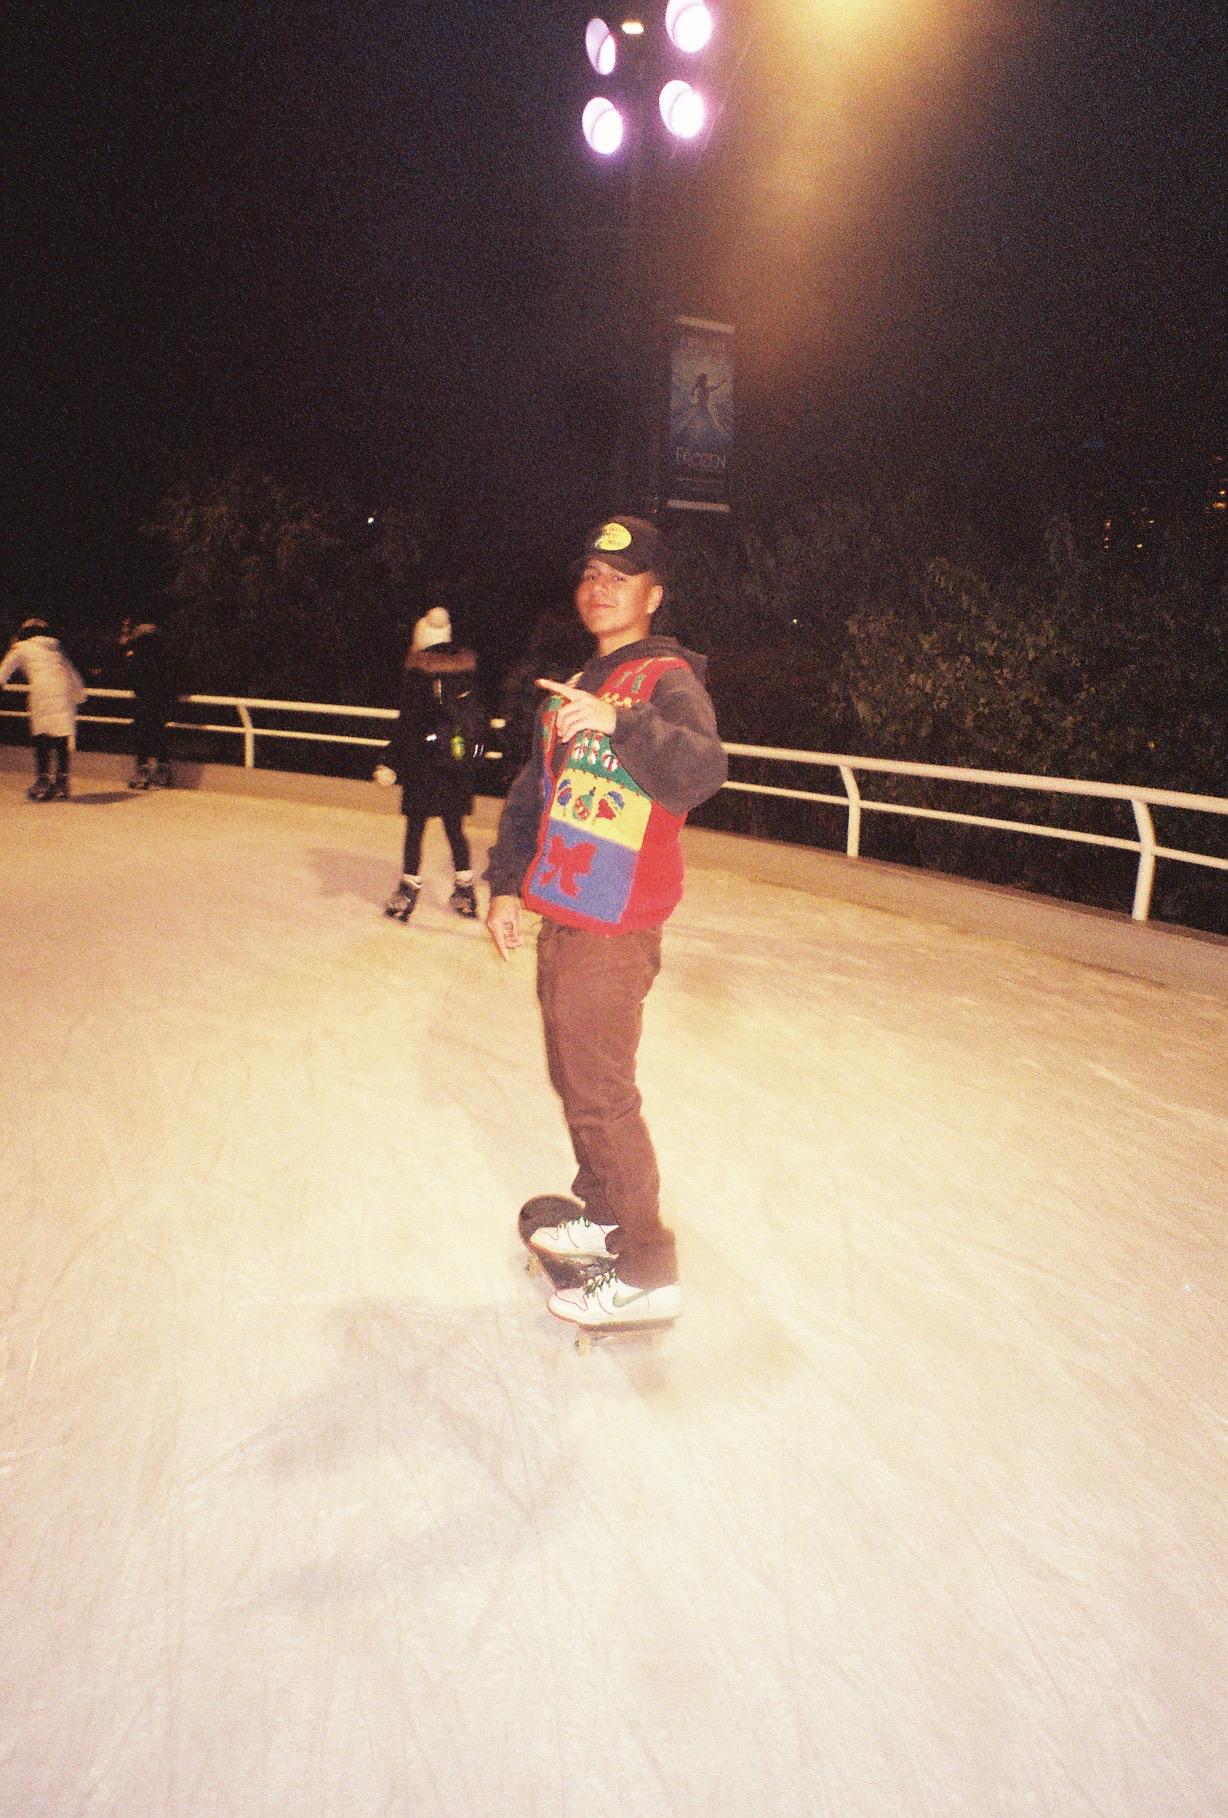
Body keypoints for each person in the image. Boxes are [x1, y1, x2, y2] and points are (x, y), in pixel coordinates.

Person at [484, 515, 727, 1333]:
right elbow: (533, 795)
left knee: (600, 1097)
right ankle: (605, 1218)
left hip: (617, 926)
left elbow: (701, 769)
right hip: (565, 917)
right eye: (590, 574)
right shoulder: (575, 689)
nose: (599, 588)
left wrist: (621, 722)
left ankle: (647, 1273)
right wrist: (505, 884)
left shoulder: (664, 679)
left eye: (619, 578)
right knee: (576, 1083)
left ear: (653, 595)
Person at [375, 607, 482, 921]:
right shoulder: (466, 676)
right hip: (456, 769)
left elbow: (408, 726)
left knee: (415, 829)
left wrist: (388, 760)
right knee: (454, 830)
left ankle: (407, 890)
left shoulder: (419, 677)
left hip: (423, 767)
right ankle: (465, 890)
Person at [0, 617, 88, 801]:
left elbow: (5, 670)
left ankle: (43, 779)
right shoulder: (55, 648)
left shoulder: (22, 648)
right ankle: (62, 780)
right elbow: (71, 672)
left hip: (43, 691)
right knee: (62, 736)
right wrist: (80, 695)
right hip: (64, 692)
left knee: (42, 736)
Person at [120, 619, 178, 789]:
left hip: (156, 697)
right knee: (145, 729)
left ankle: (158, 768)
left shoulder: (156, 654)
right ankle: (149, 768)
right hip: (146, 696)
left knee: (153, 729)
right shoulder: (143, 655)